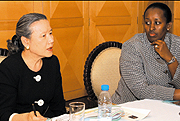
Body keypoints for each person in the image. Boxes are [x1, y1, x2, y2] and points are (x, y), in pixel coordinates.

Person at [0, 13, 66, 121]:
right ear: (26, 41)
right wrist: (26, 118)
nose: (51, 40)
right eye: (44, 36)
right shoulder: (8, 68)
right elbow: (3, 114)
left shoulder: (52, 62)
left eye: (50, 33)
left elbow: (58, 106)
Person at [112, 2, 180, 104]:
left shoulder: (177, 44)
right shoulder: (132, 46)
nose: (151, 28)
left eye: (157, 23)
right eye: (147, 23)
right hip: (129, 107)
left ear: (168, 26)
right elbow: (141, 90)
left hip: (167, 106)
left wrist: (170, 59)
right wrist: (177, 94)